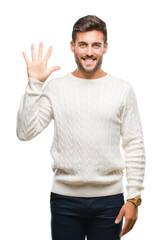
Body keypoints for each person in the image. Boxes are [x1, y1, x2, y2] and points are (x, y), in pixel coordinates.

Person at [16, 15, 146, 240]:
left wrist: (133, 198)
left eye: (96, 45)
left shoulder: (122, 89)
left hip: (109, 201)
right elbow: (25, 132)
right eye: (83, 45)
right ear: (72, 46)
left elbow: (134, 144)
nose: (89, 52)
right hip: (65, 200)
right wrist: (35, 84)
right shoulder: (56, 88)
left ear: (105, 47)